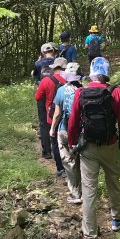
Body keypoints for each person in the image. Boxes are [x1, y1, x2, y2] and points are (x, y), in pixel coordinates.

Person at [67, 56, 120, 239]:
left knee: (89, 191)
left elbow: (74, 122)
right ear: (107, 73)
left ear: (92, 73)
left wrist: (71, 143)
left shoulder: (81, 92)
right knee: (114, 182)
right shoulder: (117, 93)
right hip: (110, 146)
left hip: (88, 149)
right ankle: (117, 219)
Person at [50, 71, 83, 204]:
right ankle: (86, 192)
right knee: (81, 162)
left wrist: (52, 129)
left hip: (64, 130)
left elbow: (57, 113)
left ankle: (75, 194)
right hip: (81, 133)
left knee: (69, 163)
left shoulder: (61, 90)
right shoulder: (83, 90)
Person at [36, 57, 68, 172]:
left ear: (55, 68)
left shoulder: (46, 80)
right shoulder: (70, 80)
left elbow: (38, 97)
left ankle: (61, 169)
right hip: (69, 117)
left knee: (55, 142)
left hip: (52, 115)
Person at [32, 43, 57, 158]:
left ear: (42, 53)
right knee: (57, 118)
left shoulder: (38, 63)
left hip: (42, 93)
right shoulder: (59, 61)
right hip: (56, 92)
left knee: (43, 122)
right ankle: (58, 147)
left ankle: (46, 151)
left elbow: (35, 76)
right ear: (54, 51)